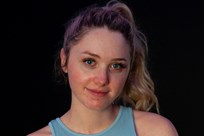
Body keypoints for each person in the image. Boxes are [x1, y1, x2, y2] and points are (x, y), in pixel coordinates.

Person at [28, 0, 178, 135]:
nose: (102, 79)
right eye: (89, 62)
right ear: (64, 60)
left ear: (129, 70)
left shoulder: (155, 131)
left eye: (116, 65)